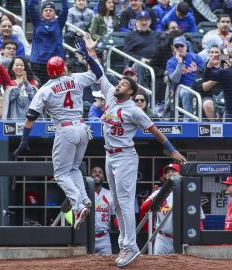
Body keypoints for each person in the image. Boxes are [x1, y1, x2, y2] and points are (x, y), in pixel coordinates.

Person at [84, 34, 186, 266]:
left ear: (130, 92)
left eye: (123, 84)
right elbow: (99, 72)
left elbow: (153, 129)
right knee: (118, 204)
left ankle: (130, 247)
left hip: (125, 157)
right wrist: (91, 53)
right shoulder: (110, 95)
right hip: (109, 156)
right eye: (119, 82)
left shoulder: (133, 109)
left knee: (125, 202)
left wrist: (171, 150)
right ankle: (125, 244)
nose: (118, 85)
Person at [13, 35, 103, 231]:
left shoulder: (45, 89)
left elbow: (31, 117)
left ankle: (79, 206)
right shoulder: (76, 78)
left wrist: (24, 139)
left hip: (66, 130)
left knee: (61, 174)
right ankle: (86, 200)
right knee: (74, 169)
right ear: (63, 68)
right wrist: (88, 56)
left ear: (48, 71)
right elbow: (98, 73)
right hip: (83, 128)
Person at [140, 163, 205, 254]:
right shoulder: (159, 192)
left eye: (174, 171)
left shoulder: (189, 194)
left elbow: (199, 219)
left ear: (180, 175)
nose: (170, 173)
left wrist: (196, 239)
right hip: (163, 238)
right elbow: (144, 207)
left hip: (183, 238)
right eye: (168, 172)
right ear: (165, 176)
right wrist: (156, 197)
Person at [28, 0, 68, 85]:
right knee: (38, 89)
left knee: (54, 89)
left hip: (55, 63)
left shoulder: (59, 23)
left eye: (51, 10)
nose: (48, 12)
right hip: (38, 62)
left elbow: (65, 8)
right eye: (45, 10)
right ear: (41, 13)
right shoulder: (37, 22)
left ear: (55, 13)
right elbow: (30, 6)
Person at [166, 36, 204, 121]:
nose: (180, 48)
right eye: (177, 46)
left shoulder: (196, 57)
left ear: (186, 46)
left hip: (197, 85)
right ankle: (188, 120)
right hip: (182, 88)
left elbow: (204, 73)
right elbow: (175, 80)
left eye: (181, 46)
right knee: (187, 91)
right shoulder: (171, 62)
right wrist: (179, 63)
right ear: (174, 48)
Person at [204, 46, 232, 121]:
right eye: (231, 57)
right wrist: (209, 64)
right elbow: (207, 76)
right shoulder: (224, 72)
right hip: (230, 115)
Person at [90, 166, 116, 255]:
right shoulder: (84, 194)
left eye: (100, 172)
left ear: (104, 178)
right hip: (88, 237)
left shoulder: (109, 194)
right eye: (94, 172)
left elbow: (114, 217)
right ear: (90, 177)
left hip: (104, 238)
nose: (97, 174)